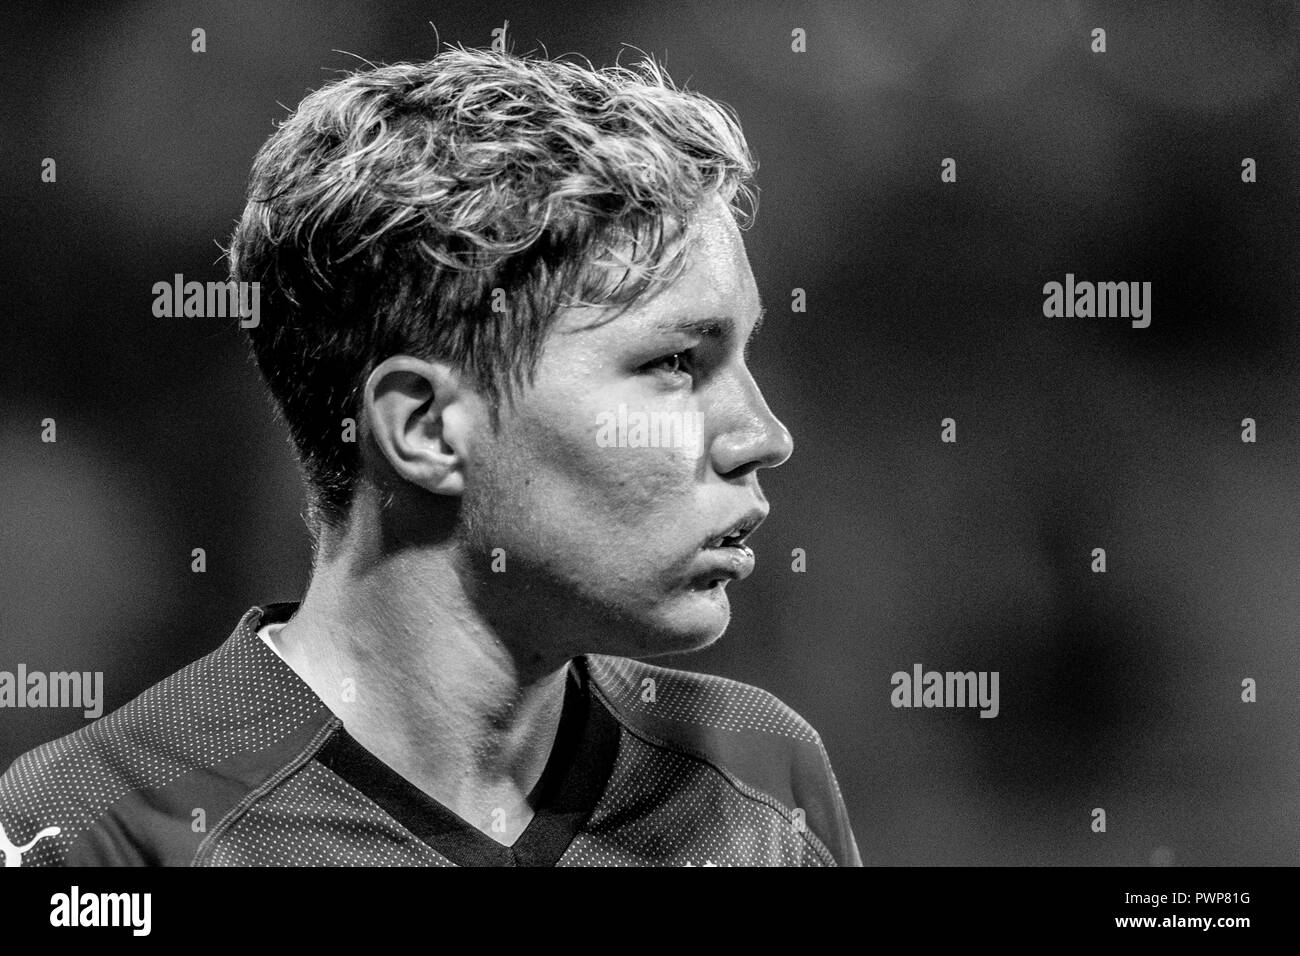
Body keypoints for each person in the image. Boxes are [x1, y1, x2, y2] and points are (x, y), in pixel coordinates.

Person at [0, 46, 861, 867]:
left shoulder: (762, 778)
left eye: (743, 353)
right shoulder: (91, 831)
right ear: (423, 430)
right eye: (674, 363)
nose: (763, 435)